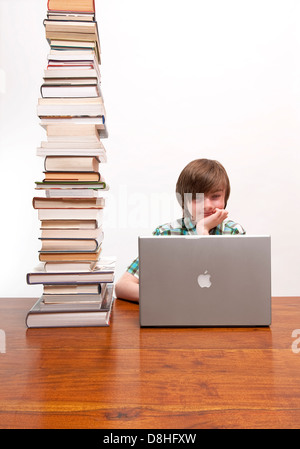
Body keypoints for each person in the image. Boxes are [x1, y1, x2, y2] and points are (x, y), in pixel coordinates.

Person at [115, 158, 245, 302]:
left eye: (215, 196)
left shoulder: (234, 233)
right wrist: (172, 298)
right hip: (174, 314)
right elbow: (122, 286)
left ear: (225, 198)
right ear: (184, 201)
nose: (208, 205)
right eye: (197, 198)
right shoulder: (165, 234)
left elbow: (241, 288)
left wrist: (203, 230)